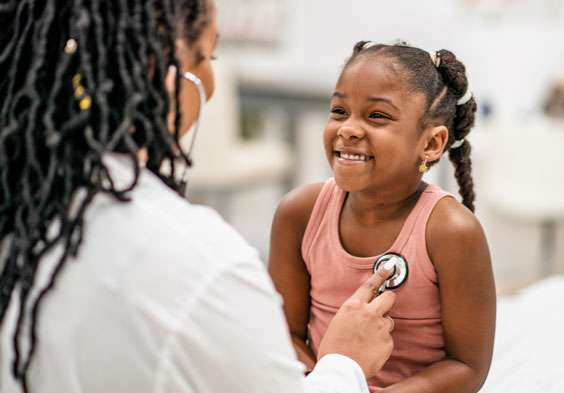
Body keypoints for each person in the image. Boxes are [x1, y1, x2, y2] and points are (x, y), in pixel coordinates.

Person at [0, 2, 397, 392]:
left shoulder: (24, 207)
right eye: (208, 55)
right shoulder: (203, 269)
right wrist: (345, 365)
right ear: (164, 69)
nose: (210, 78)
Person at [268, 41, 496, 392]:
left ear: (432, 144)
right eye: (339, 111)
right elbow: (285, 336)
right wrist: (329, 382)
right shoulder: (299, 213)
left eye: (377, 116)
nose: (348, 129)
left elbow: (467, 367)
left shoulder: (451, 231)